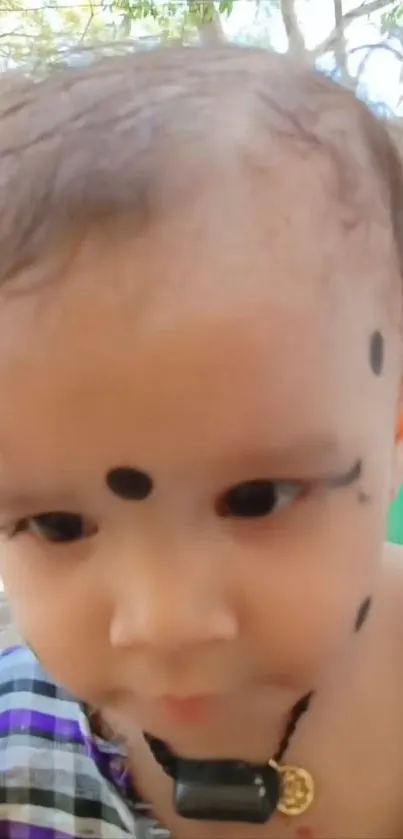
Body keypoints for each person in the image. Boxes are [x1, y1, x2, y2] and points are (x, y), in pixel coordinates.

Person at [0, 43, 402, 839]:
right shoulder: (19, 756)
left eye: (256, 498)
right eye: (55, 523)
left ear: (393, 425)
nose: (161, 619)